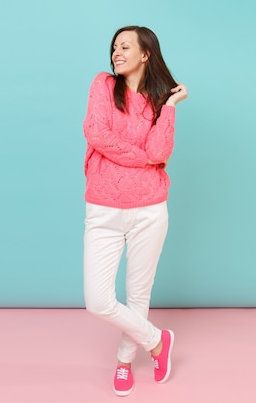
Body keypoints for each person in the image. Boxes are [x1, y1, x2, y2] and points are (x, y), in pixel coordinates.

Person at [82, 25, 188, 397]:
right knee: (98, 300)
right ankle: (158, 342)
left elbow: (160, 153)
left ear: (146, 54)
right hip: (104, 208)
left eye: (125, 46)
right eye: (114, 47)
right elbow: (96, 133)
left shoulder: (160, 101)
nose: (116, 52)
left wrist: (170, 107)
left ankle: (125, 362)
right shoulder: (102, 86)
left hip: (150, 210)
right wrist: (143, 158)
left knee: (138, 294)